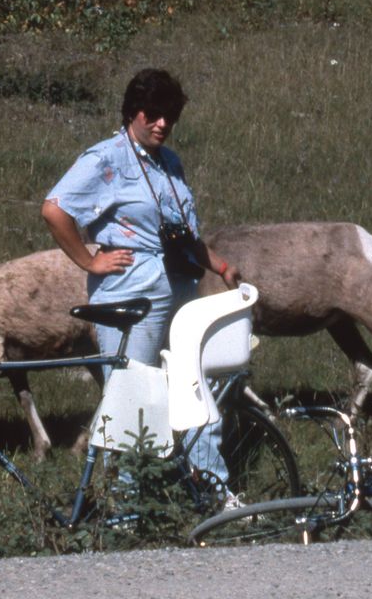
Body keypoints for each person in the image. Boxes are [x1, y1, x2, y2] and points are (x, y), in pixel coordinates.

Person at [41, 68, 240, 492]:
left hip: (179, 288)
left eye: (170, 116)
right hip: (132, 294)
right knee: (135, 397)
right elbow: (55, 210)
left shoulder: (170, 163)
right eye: (153, 114)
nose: (162, 124)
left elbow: (181, 233)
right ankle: (127, 507)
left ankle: (211, 490)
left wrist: (219, 266)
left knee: (195, 388)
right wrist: (88, 262)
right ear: (133, 112)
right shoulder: (106, 159)